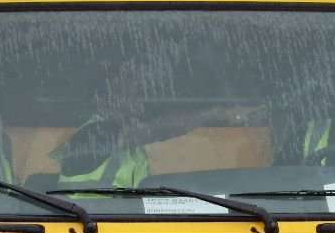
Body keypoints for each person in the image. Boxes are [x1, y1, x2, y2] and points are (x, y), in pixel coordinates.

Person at [52, 60, 258, 189]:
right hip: (83, 226)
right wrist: (214, 113)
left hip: (112, 223)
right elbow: (161, 129)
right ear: (102, 100)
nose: (138, 100)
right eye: (127, 94)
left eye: (138, 94)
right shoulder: (95, 133)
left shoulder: (130, 146)